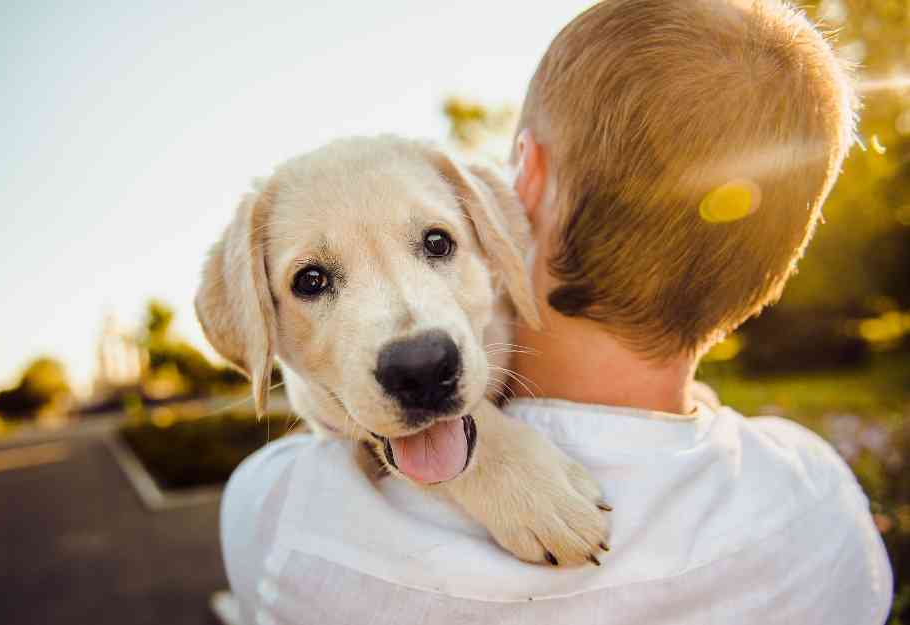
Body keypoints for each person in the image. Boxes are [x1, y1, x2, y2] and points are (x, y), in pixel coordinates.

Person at [219, 1, 893, 623]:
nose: (412, 340)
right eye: (312, 279)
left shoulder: (285, 519)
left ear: (523, 180)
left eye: (435, 243)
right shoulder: (821, 506)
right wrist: (487, 452)